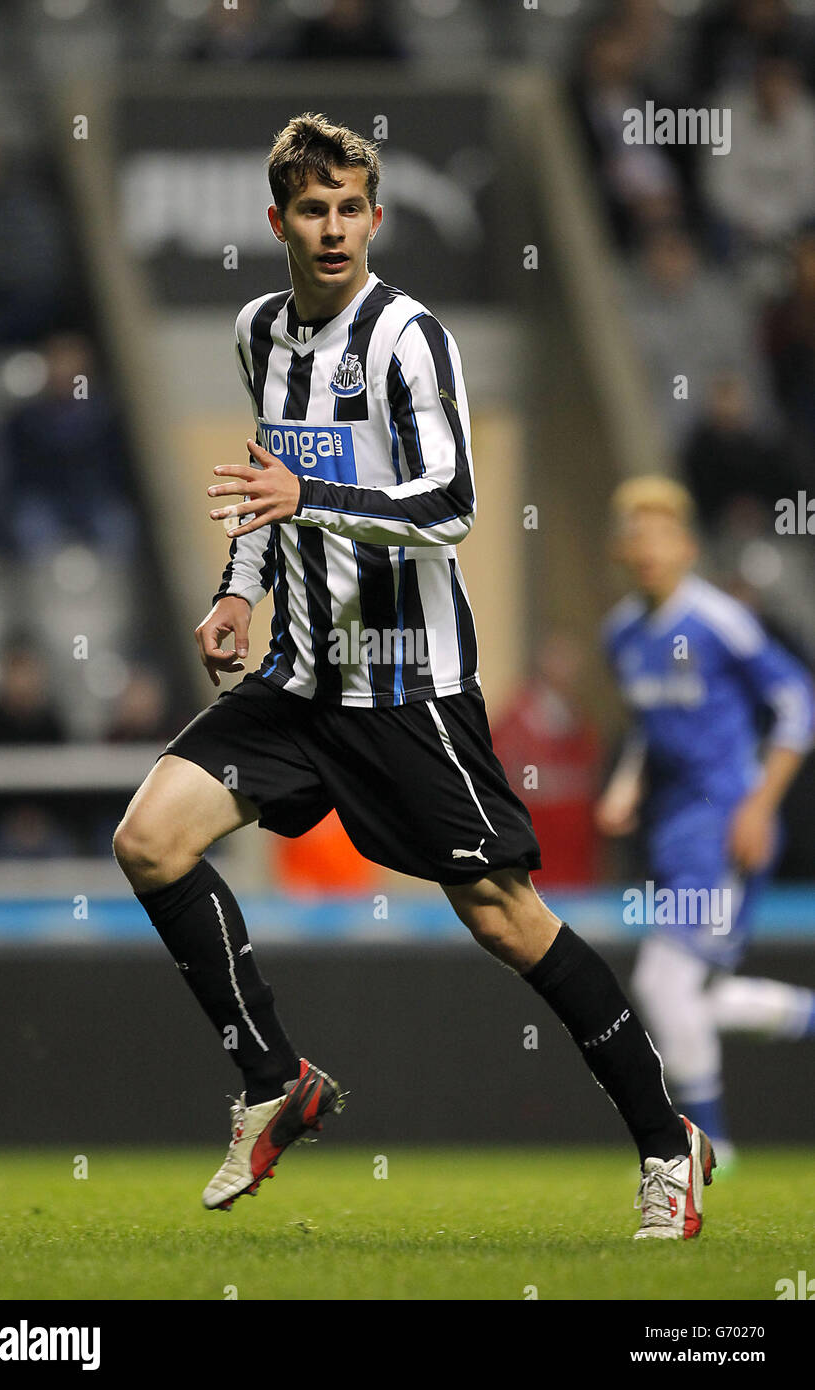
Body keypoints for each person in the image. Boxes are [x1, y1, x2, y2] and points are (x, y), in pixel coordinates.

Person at [114, 114, 712, 1239]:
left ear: (375, 217)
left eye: (350, 208)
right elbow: (266, 487)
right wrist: (239, 589)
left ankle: (662, 1140)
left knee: (504, 916)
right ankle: (271, 1080)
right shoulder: (260, 334)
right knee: (147, 839)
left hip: (407, 688)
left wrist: (310, 504)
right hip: (299, 682)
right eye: (312, 209)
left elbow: (450, 508)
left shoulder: (405, 338)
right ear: (278, 220)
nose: (333, 228)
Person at [597, 476, 815, 1165]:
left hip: (724, 825)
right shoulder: (622, 635)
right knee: (699, 996)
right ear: (622, 550)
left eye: (661, 533)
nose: (648, 546)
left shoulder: (719, 621)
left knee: (664, 984)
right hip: (673, 832)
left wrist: (759, 803)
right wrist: (629, 783)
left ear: (687, 546)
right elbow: (648, 724)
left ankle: (710, 1142)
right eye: (636, 533)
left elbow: (796, 703)